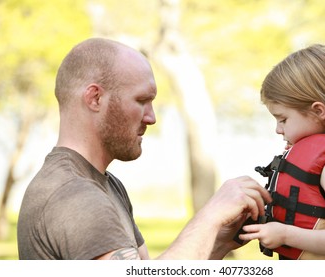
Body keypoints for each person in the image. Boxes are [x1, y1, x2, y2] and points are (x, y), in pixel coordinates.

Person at [16, 37, 271, 260]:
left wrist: (218, 242)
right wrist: (210, 217)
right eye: (141, 101)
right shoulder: (74, 195)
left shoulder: (105, 184)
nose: (151, 118)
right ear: (95, 98)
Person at [238, 44, 325, 260]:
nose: (278, 129)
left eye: (283, 119)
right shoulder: (314, 159)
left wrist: (284, 234)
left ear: (318, 111)